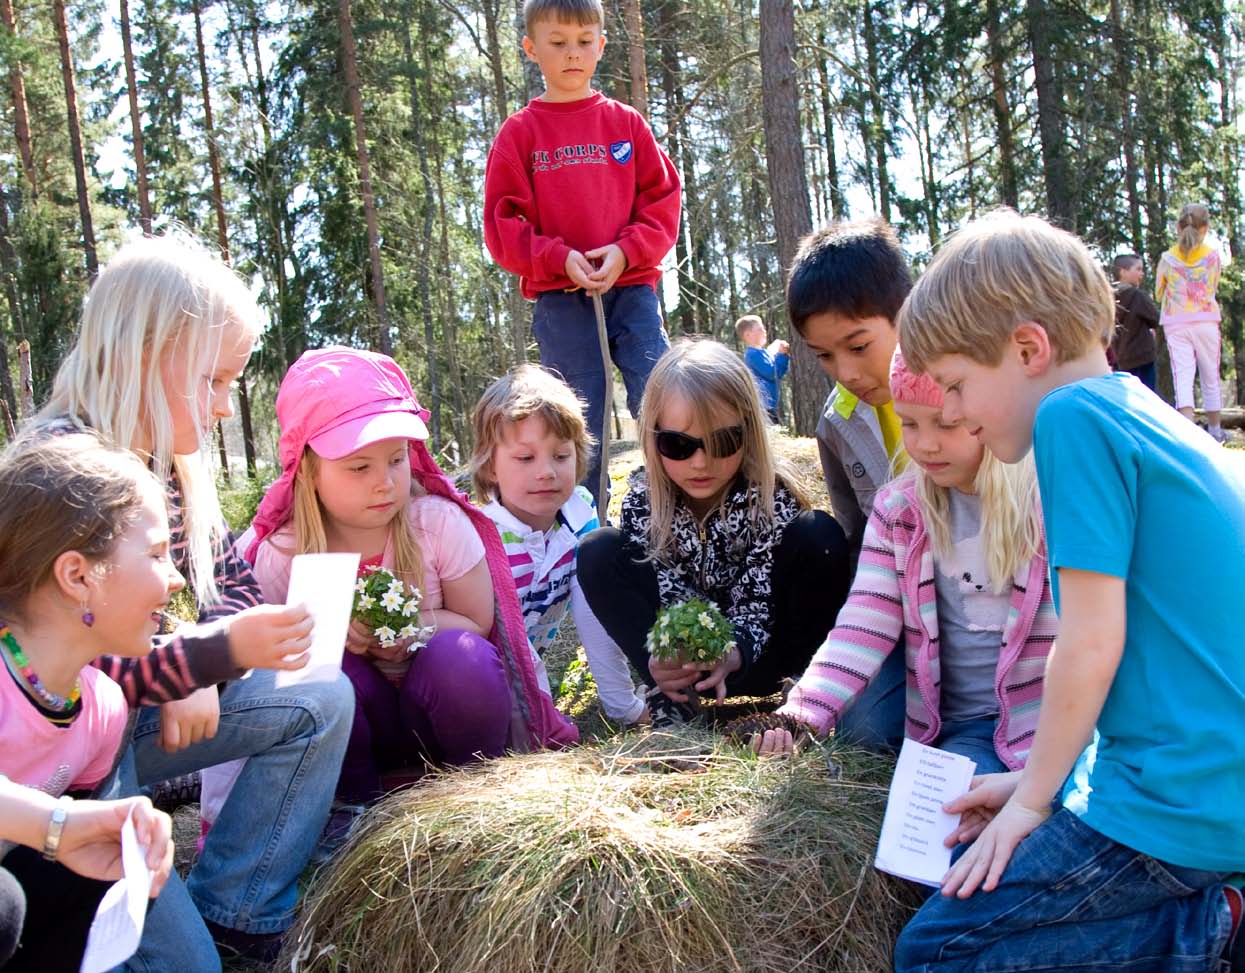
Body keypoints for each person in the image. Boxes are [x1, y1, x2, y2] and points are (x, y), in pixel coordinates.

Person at [892, 211, 1245, 972]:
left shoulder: (1070, 418)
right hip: (1209, 787)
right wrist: (1034, 776)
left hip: (1175, 807)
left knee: (934, 951)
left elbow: (1088, 644)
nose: (954, 413)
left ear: (1027, 348)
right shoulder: (1150, 416)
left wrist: (1031, 803)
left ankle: (1213, 932)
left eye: (956, 384)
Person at [28, 232, 353, 968]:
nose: (220, 406)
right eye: (211, 380)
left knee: (319, 695)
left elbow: (223, 587)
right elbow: (60, 663)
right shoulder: (59, 473)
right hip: (73, 752)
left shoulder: (167, 464)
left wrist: (219, 652)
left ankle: (238, 909)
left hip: (141, 713)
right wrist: (186, 665)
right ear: (145, 352)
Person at [237, 348, 578, 807]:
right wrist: (336, 635)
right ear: (309, 469)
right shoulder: (285, 552)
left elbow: (478, 622)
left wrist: (414, 624)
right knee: (323, 674)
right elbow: (268, 666)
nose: (384, 482)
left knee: (462, 658)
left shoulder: (437, 523)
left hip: (436, 718)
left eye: (396, 460)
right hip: (352, 731)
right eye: (360, 467)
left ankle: (473, 792)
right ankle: (349, 810)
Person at [748, 349, 1055, 779]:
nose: (925, 444)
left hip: (1051, 726)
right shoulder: (901, 511)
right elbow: (862, 624)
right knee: (942, 824)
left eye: (946, 423)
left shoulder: (1044, 501)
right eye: (909, 423)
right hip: (966, 730)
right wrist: (802, 712)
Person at [577, 338, 852, 728]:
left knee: (818, 536)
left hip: (763, 656)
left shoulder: (772, 498)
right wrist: (672, 655)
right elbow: (667, 597)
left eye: (724, 441)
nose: (701, 462)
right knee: (599, 550)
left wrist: (732, 651)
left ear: (748, 430)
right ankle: (673, 697)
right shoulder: (644, 502)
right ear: (653, 439)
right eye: (678, 445)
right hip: (685, 667)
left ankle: (808, 689)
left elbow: (758, 602)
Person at [483, 0, 681, 512]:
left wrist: (626, 250)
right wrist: (556, 257)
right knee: (575, 418)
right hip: (561, 298)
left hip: (632, 289)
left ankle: (677, 503)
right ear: (531, 49)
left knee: (661, 392)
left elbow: (662, 201)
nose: (573, 54)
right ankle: (583, 529)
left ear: (601, 44)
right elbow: (504, 227)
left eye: (584, 40)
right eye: (557, 43)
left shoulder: (625, 124)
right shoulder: (520, 133)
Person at [0, 432, 180, 969]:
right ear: (78, 575)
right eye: (155, 554)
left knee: (95, 869)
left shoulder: (102, 709)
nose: (174, 578)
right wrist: (56, 824)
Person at [784, 217, 914, 750]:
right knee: (866, 734)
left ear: (906, 314)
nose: (845, 371)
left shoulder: (966, 396)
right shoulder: (836, 423)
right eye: (825, 355)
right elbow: (857, 538)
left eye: (858, 346)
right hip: (899, 614)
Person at [471, 364, 648, 725]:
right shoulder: (481, 538)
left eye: (561, 455)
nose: (547, 472)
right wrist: (541, 716)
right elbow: (506, 636)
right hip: (475, 682)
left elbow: (594, 610)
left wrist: (621, 703)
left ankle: (618, 707)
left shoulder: (580, 511)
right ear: (490, 467)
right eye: (525, 457)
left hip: (527, 678)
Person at [1156, 203, 1227, 441]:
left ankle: (1188, 433)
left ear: (1178, 227)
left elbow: (1158, 291)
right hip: (1206, 320)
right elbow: (1214, 285)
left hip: (1176, 323)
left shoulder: (1167, 258)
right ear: (1205, 228)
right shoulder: (1212, 257)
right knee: (1210, 375)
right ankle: (1216, 430)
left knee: (1183, 376)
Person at [1109, 254, 1160, 392]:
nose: (1141, 274)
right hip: (1142, 358)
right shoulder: (1138, 296)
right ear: (1123, 272)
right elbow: (1156, 318)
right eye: (1138, 269)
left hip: (1119, 360)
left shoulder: (1108, 298)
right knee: (1147, 397)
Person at [736, 314, 789, 424]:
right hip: (763, 406)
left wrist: (780, 353)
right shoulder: (752, 354)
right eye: (760, 329)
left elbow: (776, 368)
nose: (764, 331)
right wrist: (781, 355)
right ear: (748, 335)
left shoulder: (762, 353)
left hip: (770, 405)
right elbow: (772, 373)